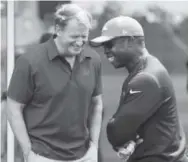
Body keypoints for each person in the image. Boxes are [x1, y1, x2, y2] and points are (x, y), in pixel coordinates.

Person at [7, 4, 103, 162]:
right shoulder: (30, 62)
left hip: (84, 156)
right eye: (74, 36)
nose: (80, 42)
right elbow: (13, 108)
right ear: (58, 30)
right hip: (42, 156)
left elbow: (97, 104)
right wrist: (28, 152)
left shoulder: (93, 60)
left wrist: (94, 146)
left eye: (84, 36)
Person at [90, 16, 188, 162]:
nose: (106, 51)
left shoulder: (146, 78)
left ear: (130, 41)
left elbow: (116, 130)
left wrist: (122, 135)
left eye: (109, 44)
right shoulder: (146, 69)